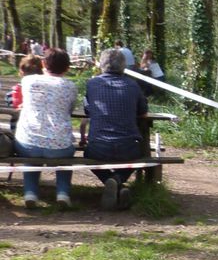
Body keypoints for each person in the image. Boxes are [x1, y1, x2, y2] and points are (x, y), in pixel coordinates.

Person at [12, 48, 78, 209]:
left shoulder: (28, 81)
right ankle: (63, 193)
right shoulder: (71, 86)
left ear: (43, 64)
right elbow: (69, 110)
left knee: (30, 155)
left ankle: (30, 193)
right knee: (66, 158)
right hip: (59, 145)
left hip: (28, 142)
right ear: (67, 67)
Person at [83, 48, 148, 210]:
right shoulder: (133, 85)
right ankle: (118, 180)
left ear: (101, 65)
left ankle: (109, 180)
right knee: (140, 155)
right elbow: (143, 111)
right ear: (124, 66)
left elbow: (87, 109)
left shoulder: (92, 84)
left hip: (99, 147)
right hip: (128, 147)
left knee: (87, 155)